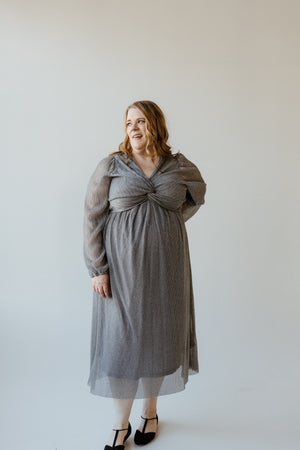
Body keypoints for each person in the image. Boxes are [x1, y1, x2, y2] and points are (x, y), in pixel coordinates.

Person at [83, 100, 207, 449]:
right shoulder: (112, 166)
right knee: (122, 344)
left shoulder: (178, 167)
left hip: (168, 269)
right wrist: (98, 267)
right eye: (128, 123)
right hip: (121, 273)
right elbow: (92, 217)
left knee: (159, 340)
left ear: (155, 125)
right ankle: (120, 426)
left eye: (140, 121)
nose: (133, 128)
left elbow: (196, 197)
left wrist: (167, 222)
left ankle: (150, 413)